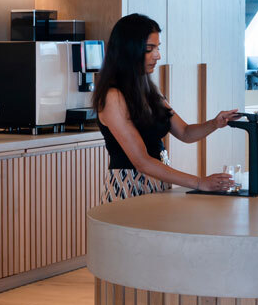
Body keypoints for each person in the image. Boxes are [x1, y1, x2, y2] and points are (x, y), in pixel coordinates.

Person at [93, 13, 239, 201]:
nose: (158, 56)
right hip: (129, 187)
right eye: (149, 49)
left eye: (158, 48)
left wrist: (214, 123)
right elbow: (142, 161)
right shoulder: (113, 97)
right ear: (128, 51)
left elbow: (185, 132)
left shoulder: (149, 91)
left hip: (158, 184)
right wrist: (199, 182)